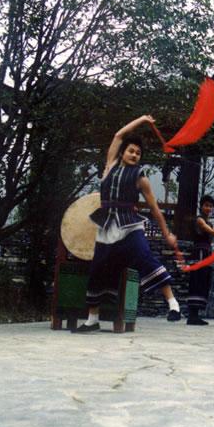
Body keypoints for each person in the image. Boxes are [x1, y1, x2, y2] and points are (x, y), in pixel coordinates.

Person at [74, 115, 181, 332]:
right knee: (97, 269)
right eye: (131, 151)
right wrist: (142, 119)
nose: (134, 155)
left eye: (138, 153)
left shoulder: (140, 178)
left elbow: (154, 209)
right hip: (106, 227)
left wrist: (167, 233)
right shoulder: (110, 166)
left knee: (145, 257)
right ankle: (92, 319)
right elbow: (118, 135)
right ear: (122, 152)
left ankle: (173, 305)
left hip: (130, 226)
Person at [186, 195, 214, 326]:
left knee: (203, 282)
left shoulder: (208, 222)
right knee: (197, 281)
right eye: (206, 205)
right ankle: (192, 316)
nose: (208, 208)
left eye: (211, 206)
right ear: (201, 206)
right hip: (199, 253)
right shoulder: (199, 220)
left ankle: (195, 316)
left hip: (206, 254)